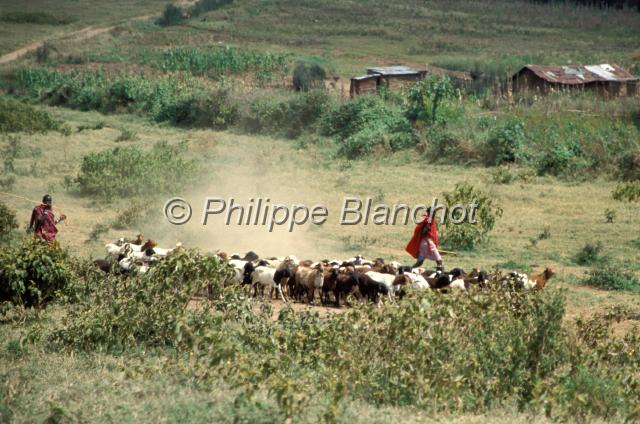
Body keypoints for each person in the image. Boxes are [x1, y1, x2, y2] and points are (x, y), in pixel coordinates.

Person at [405, 208, 443, 272]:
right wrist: (427, 230)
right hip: (427, 242)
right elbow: (426, 229)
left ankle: (409, 269)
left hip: (423, 242)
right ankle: (440, 272)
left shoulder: (426, 219)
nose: (433, 214)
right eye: (433, 213)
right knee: (439, 260)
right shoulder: (429, 219)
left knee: (420, 262)